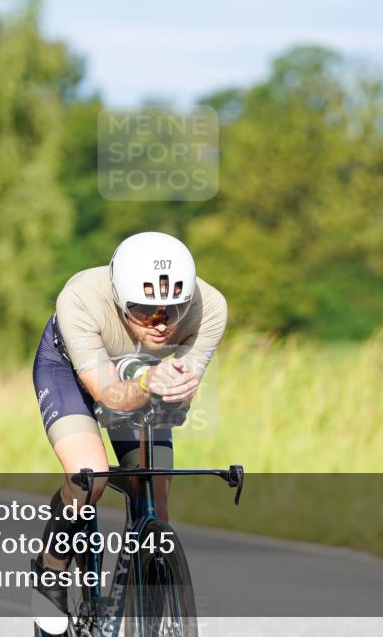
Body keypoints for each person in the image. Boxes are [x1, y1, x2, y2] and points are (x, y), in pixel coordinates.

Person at [30, 231, 227, 634]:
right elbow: (107, 394)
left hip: (141, 376)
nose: (160, 324)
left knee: (154, 490)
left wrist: (172, 388)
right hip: (72, 371)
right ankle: (52, 568)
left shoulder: (211, 307)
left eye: (173, 309)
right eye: (144, 309)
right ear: (119, 299)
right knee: (91, 478)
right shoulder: (80, 298)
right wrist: (145, 384)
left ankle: (146, 594)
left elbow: (180, 391)